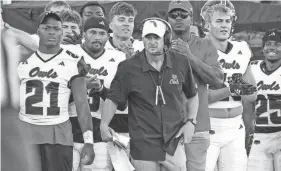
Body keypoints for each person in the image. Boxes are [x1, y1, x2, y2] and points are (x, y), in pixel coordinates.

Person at [100, 17, 199, 171]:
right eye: (148, 37)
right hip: (143, 142)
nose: (152, 42)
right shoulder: (128, 67)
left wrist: (191, 122)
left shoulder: (181, 62)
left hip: (173, 140)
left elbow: (192, 95)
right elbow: (113, 99)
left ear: (166, 39)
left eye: (156, 37)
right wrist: (104, 124)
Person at [17, 11, 95, 171]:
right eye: (46, 28)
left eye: (56, 28)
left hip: (58, 134)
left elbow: (82, 105)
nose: (51, 32)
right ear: (37, 30)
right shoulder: (20, 59)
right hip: (25, 132)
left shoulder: (73, 61)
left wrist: (89, 141)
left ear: (62, 31)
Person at [166, 1, 224, 170]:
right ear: (166, 18)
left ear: (191, 18)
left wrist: (189, 56)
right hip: (165, 127)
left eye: (183, 15)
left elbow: (217, 80)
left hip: (197, 126)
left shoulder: (204, 44)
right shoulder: (157, 44)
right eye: (174, 15)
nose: (179, 18)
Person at [200, 1, 257, 171]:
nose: (224, 25)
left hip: (235, 128)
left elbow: (251, 95)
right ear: (207, 25)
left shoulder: (242, 49)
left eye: (227, 21)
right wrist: (232, 88)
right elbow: (199, 98)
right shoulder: (198, 50)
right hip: (207, 126)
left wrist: (234, 89)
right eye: (219, 21)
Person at [68, 16, 126, 171]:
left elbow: (122, 103)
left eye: (102, 33)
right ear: (83, 33)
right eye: (92, 32)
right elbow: (55, 95)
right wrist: (78, 86)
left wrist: (100, 89)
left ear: (108, 36)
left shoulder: (119, 58)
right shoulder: (68, 54)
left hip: (99, 136)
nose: (97, 37)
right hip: (68, 133)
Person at [247, 28, 281, 171]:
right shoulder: (252, 69)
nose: (272, 47)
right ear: (262, 48)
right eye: (268, 43)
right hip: (259, 135)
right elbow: (246, 102)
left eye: (278, 44)